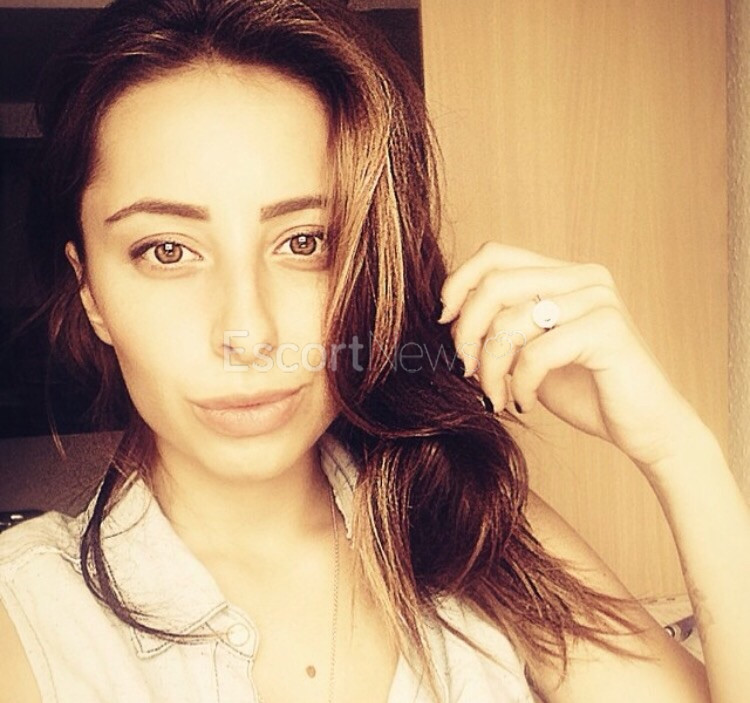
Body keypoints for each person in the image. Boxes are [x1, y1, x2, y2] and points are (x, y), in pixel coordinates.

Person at [0, 0, 747, 701]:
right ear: (90, 292)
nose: (248, 331)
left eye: (305, 242)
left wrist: (680, 452)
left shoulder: (472, 525)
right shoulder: (26, 614)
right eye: (167, 250)